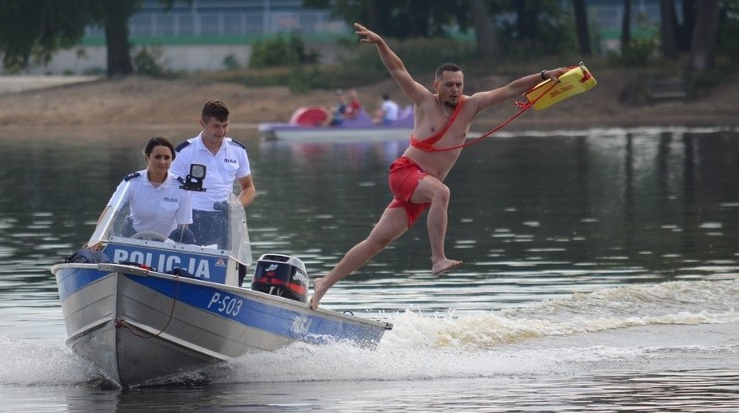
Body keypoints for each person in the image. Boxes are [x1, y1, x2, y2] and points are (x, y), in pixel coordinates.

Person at [309, 22, 568, 310]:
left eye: (459, 84)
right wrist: (382, 43)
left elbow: (511, 89)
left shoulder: (471, 106)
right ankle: (437, 259)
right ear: (436, 86)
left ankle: (324, 283)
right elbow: (398, 71)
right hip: (405, 173)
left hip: (422, 190)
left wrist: (545, 75)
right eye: (448, 84)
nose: (455, 89)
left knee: (376, 242)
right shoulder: (423, 101)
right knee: (442, 193)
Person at [171, 99, 255, 248]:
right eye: (216, 126)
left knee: (228, 268)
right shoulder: (184, 152)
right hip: (191, 220)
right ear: (202, 123)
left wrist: (236, 206)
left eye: (225, 126)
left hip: (225, 219)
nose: (221, 132)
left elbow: (248, 188)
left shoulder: (237, 151)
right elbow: (171, 189)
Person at [93, 136, 192, 243]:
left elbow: (183, 227)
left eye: (167, 158)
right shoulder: (132, 182)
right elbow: (111, 210)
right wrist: (97, 239)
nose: (162, 162)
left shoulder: (181, 187)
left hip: (167, 244)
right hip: (134, 239)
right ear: (147, 158)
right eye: (157, 157)